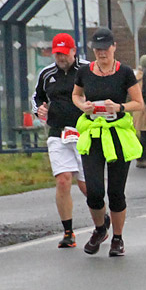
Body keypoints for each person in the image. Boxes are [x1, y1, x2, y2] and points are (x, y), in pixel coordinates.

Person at [70, 28, 144, 256]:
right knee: (93, 190)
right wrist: (82, 106)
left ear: (114, 47)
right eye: (97, 49)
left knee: (115, 192)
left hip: (117, 135)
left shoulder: (124, 73)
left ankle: (118, 239)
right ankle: (101, 228)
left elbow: (138, 103)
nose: (101, 53)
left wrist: (119, 107)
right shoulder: (85, 72)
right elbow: (76, 95)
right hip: (93, 134)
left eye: (105, 49)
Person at [33, 32, 91, 248]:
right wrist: (38, 109)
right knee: (63, 180)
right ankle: (68, 232)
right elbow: (37, 96)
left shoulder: (87, 70)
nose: (61, 58)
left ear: (73, 52)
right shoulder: (47, 73)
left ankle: (100, 219)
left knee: (86, 185)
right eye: (57, 54)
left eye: (64, 53)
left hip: (85, 132)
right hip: (58, 132)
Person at [132, 55, 146, 168]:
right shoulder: (143, 79)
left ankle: (144, 155)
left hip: (138, 110)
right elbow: (144, 95)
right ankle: (142, 158)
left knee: (144, 134)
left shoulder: (137, 77)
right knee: (145, 135)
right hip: (143, 110)